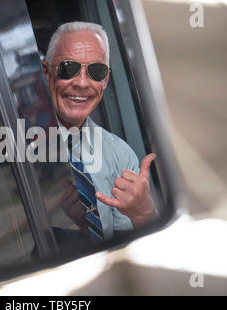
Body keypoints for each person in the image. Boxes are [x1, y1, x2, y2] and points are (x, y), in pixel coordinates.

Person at [42, 22, 157, 242]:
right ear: (46, 73)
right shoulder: (16, 146)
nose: (83, 84)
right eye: (68, 68)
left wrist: (143, 214)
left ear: (105, 80)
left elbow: (127, 249)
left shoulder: (120, 155)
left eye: (96, 71)